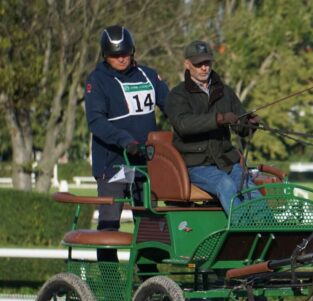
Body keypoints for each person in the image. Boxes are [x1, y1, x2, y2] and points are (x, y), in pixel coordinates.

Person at [85, 25, 169, 262]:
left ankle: (150, 286)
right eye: (114, 55)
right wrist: (126, 141)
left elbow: (172, 107)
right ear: (104, 55)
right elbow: (96, 122)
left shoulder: (149, 75)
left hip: (145, 163)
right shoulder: (97, 80)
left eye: (125, 53)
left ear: (132, 51)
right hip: (115, 166)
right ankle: (110, 283)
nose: (121, 58)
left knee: (150, 227)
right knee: (109, 226)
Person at [165, 40, 261, 215]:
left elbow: (241, 129)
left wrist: (250, 123)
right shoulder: (178, 95)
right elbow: (183, 125)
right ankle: (244, 233)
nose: (204, 68)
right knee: (225, 185)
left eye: (207, 63)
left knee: (249, 187)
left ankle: (271, 231)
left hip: (226, 161)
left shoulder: (226, 92)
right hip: (195, 164)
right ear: (187, 65)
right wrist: (219, 119)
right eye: (198, 64)